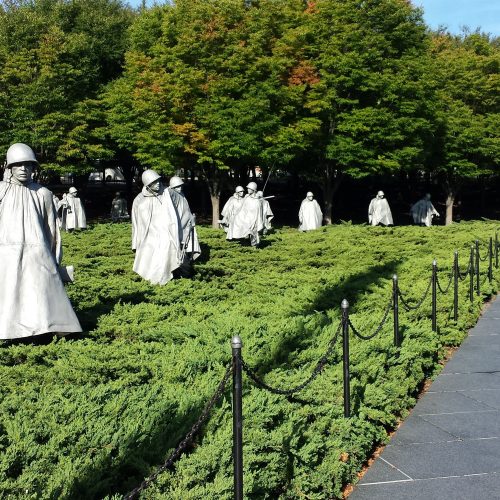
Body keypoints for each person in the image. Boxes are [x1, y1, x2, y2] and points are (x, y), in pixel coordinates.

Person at [0, 143, 82, 340]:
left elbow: (52, 230)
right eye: (18, 165)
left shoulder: (42, 193)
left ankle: (45, 328)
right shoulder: (1, 191)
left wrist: (54, 257)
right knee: (9, 293)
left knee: (41, 292)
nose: (23, 169)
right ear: (9, 167)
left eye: (28, 165)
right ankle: (8, 331)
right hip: (6, 250)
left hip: (38, 251)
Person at [131, 170, 181, 285]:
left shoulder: (167, 194)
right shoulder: (139, 200)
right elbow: (135, 223)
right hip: (148, 237)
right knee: (149, 257)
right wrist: (135, 243)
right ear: (147, 184)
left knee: (165, 254)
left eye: (158, 181)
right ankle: (152, 281)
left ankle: (163, 280)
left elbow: (181, 202)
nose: (158, 184)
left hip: (165, 234)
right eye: (154, 182)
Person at [168, 176, 201, 265]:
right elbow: (167, 192)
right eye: (177, 187)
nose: (180, 188)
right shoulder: (172, 195)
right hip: (178, 227)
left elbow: (186, 210)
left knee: (186, 249)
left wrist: (191, 219)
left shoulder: (182, 195)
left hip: (187, 226)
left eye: (180, 186)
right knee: (179, 251)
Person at [227, 181, 264, 247]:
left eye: (249, 189)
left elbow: (259, 213)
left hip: (254, 220)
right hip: (246, 219)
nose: (247, 190)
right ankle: (245, 243)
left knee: (254, 236)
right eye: (248, 188)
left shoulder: (257, 201)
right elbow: (242, 209)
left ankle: (254, 247)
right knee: (241, 228)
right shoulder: (247, 198)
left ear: (253, 190)